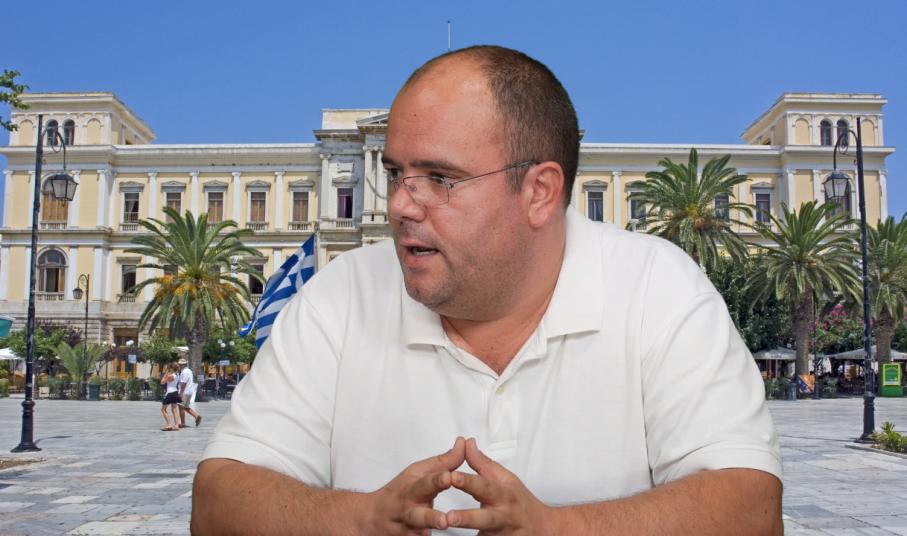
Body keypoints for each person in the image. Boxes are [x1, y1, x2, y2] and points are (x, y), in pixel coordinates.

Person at [193, 45, 782, 534]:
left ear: (539, 192)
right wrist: (359, 520)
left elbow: (751, 508)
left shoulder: (660, 289)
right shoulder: (337, 298)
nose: (399, 206)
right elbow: (218, 501)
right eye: (396, 174)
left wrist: (559, 529)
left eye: (440, 178)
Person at [177, 358, 202, 428]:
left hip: (184, 392)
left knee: (181, 407)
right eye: (179, 364)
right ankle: (197, 416)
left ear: (184, 365)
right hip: (189, 391)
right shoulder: (189, 370)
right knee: (185, 407)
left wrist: (181, 393)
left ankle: (183, 423)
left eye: (180, 364)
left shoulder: (184, 372)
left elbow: (183, 383)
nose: (179, 365)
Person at [160, 363, 180, 432]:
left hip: (170, 393)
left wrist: (165, 374)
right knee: (174, 410)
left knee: (163, 409)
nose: (168, 369)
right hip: (175, 392)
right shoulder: (177, 375)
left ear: (171, 369)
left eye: (168, 368)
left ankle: (168, 425)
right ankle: (176, 425)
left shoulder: (170, 376)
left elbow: (162, 382)